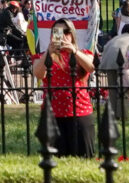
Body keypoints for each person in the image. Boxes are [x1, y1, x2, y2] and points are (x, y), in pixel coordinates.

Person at [38, 23, 97, 157]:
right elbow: (38, 73)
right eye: (57, 31)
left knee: (83, 157)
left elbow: (91, 67)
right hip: (53, 113)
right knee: (55, 159)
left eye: (67, 31)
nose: (63, 35)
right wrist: (49, 52)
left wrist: (74, 51)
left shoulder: (83, 54)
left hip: (80, 111)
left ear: (73, 34)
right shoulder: (45, 56)